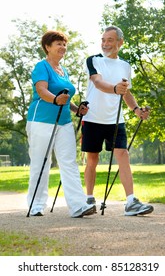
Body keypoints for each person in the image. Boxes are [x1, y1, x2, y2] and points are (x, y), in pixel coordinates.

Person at [81, 26, 154, 216]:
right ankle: (89, 199)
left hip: (116, 120)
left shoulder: (125, 66)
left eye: (110, 40)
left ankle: (131, 202)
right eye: (103, 39)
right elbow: (97, 83)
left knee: (123, 155)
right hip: (93, 119)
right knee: (92, 160)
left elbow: (126, 92)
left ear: (120, 42)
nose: (105, 44)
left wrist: (136, 110)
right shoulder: (93, 60)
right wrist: (115, 89)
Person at [26, 30, 96, 218]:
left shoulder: (63, 70)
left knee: (69, 162)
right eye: (58, 44)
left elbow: (64, 98)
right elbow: (41, 90)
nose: (63, 47)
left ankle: (78, 206)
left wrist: (76, 109)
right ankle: (36, 205)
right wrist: (55, 100)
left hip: (64, 122)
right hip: (41, 120)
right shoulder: (41, 67)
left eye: (64, 44)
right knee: (41, 162)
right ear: (47, 47)